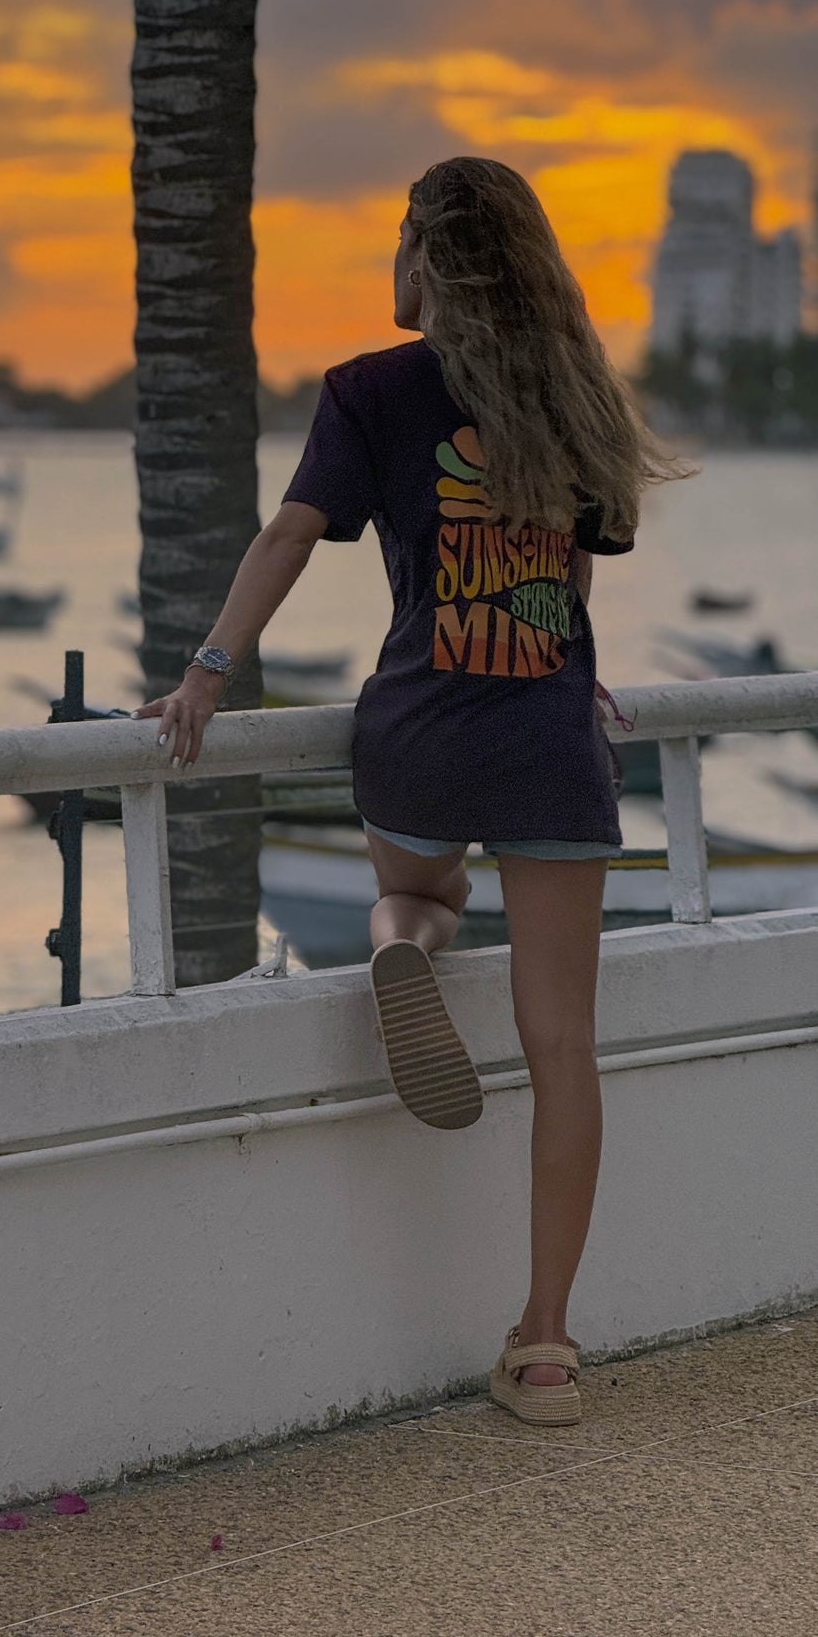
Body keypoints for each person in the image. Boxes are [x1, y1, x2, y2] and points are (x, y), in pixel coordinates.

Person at [136, 156, 687, 1426]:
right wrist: (561, 662)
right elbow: (574, 559)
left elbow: (285, 536)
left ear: (426, 258)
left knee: (420, 891)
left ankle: (398, 943)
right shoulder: (573, 398)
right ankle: (544, 1342)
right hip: (548, 739)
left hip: (417, 736)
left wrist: (205, 674)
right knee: (564, 1051)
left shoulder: (370, 391)